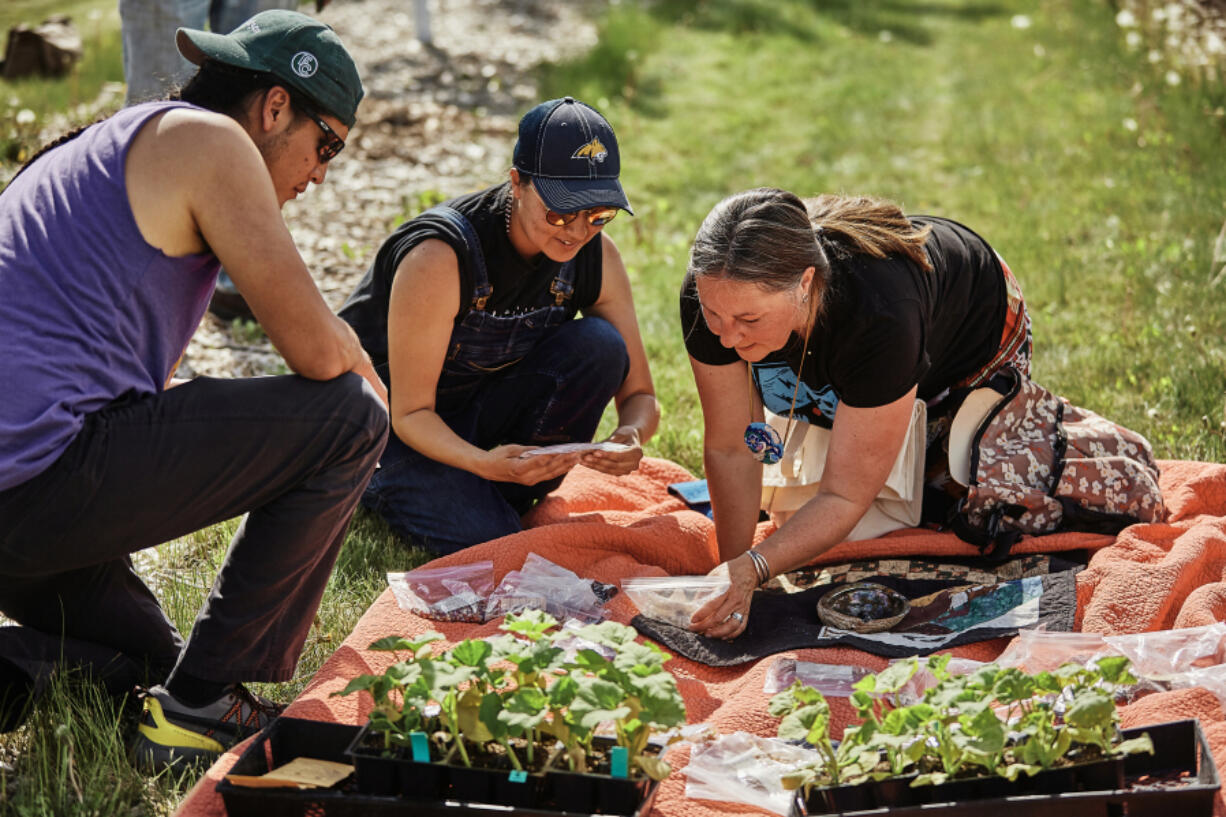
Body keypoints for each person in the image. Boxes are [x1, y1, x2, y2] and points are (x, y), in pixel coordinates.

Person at [0, 10, 388, 769]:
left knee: (154, 669)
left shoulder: (122, 139)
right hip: (39, 482)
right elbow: (317, 350)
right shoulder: (211, 142)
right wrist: (369, 382)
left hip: (22, 500)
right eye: (326, 145)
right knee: (350, 418)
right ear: (275, 106)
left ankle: (72, 674)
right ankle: (204, 708)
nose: (318, 176)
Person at [679, 188, 1031, 640]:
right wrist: (732, 573)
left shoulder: (879, 316)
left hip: (972, 356)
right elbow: (731, 447)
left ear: (805, 283)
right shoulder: (716, 287)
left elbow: (844, 496)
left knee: (893, 524)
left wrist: (757, 567)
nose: (728, 340)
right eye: (714, 315)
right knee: (806, 521)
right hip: (863, 358)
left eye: (749, 320)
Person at [340, 96, 659, 553]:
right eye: (560, 211)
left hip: (477, 422)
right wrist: (482, 465)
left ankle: (494, 492)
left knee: (600, 344)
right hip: (389, 431)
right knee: (499, 546)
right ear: (518, 183)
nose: (577, 230)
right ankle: (389, 490)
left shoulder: (595, 255)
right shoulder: (440, 256)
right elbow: (409, 413)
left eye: (598, 214)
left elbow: (642, 396)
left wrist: (629, 434)